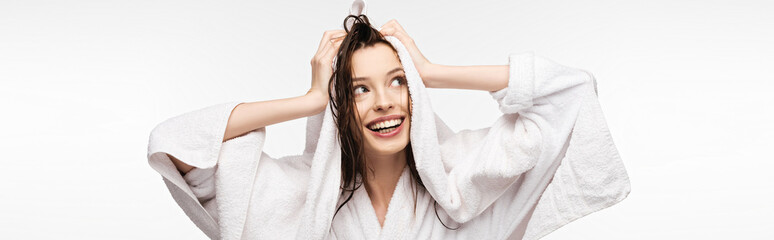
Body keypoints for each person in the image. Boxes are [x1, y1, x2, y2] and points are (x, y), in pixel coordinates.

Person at [148, 14, 615, 239]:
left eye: (398, 81)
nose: (385, 103)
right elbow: (179, 144)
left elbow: (570, 93)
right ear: (340, 109)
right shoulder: (305, 199)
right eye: (359, 89)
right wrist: (309, 98)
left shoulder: (466, 182)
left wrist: (432, 72)